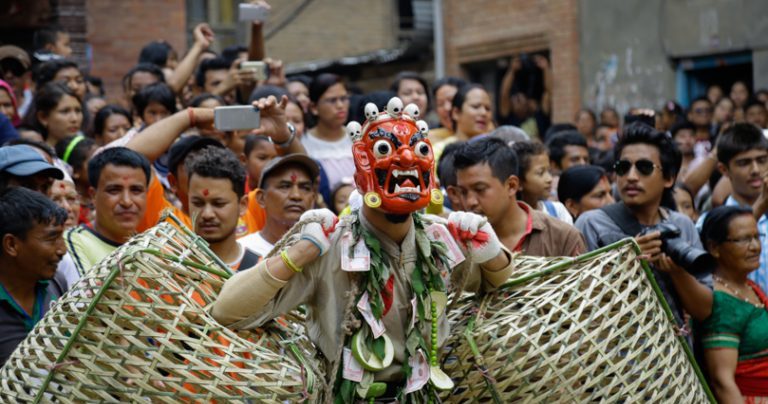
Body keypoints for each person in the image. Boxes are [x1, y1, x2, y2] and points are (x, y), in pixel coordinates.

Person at [212, 97, 514, 401]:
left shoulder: (438, 238)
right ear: (360, 180)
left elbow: (494, 282)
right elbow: (227, 311)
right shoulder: (328, 244)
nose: (407, 159)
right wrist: (297, 255)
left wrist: (492, 251)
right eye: (386, 151)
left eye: (419, 150)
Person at [575, 122, 709, 322]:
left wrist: (677, 271)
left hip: (672, 349)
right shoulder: (592, 224)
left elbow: (703, 310)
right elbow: (579, 305)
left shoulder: (681, 225)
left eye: (644, 168)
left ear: (669, 178)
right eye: (623, 167)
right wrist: (627, 259)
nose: (631, 177)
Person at [454, 137, 584, 256]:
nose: (470, 202)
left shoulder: (563, 238)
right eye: (463, 192)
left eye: (480, 189)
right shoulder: (455, 244)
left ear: (511, 186)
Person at [696, 206, 768, 402]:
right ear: (714, 248)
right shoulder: (722, 303)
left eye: (756, 236)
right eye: (743, 239)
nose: (755, 246)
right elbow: (722, 382)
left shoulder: (748, 286)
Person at [0, 187, 68, 366]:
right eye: (52, 238)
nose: (62, 250)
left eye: (62, 237)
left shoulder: (57, 283)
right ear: (12, 245)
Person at [700, 123, 768, 293]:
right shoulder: (708, 223)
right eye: (744, 163)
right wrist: (762, 203)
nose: (755, 170)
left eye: (762, 160)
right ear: (724, 170)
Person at [62, 147, 149, 278]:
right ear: (93, 195)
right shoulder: (72, 242)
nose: (126, 202)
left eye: (136, 190)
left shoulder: (150, 247)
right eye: (114, 190)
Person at [186, 146, 260, 270]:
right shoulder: (165, 269)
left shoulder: (260, 272)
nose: (207, 214)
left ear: (242, 205)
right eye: (198, 203)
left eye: (218, 204)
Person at [239, 154, 319, 257]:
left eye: (305, 188)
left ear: (313, 198)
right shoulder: (243, 252)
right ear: (261, 198)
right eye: (285, 186)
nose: (296, 195)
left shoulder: (323, 251)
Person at [302, 73, 355, 196]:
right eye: (332, 100)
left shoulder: (358, 136)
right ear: (314, 107)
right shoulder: (303, 143)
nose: (340, 106)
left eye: (344, 98)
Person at [512, 140, 573, 224]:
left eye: (549, 171)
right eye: (540, 173)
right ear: (519, 183)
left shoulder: (557, 211)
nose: (549, 179)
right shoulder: (508, 219)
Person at [30, 82, 83, 148]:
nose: (75, 119)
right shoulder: (37, 156)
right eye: (65, 111)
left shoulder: (91, 153)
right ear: (43, 117)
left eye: (78, 111)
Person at [429, 76, 466, 144]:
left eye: (451, 100)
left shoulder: (485, 135)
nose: (447, 108)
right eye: (440, 104)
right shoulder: (426, 139)